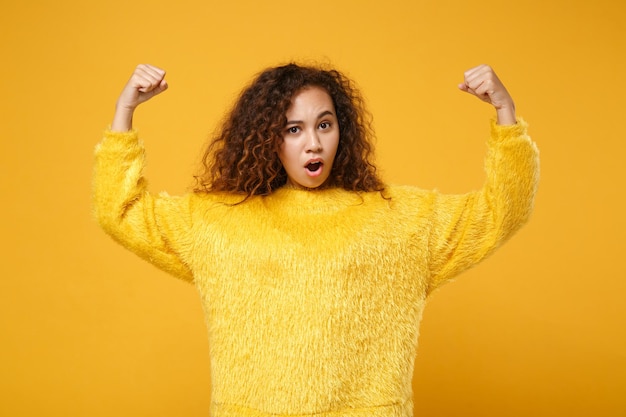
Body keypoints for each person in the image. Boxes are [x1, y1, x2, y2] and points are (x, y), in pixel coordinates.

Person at [93, 63, 539, 417]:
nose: (313, 144)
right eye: (294, 129)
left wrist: (505, 115)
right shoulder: (219, 221)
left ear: (342, 130)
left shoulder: (399, 221)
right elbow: (122, 212)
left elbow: (501, 212)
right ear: (270, 139)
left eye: (324, 125)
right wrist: (124, 113)